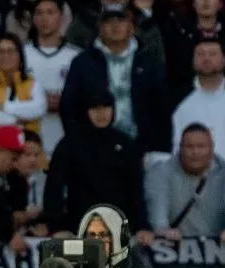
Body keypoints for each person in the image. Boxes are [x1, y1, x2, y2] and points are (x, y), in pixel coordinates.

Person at [61, 3, 171, 157]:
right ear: (100, 27)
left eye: (121, 20)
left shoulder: (149, 62)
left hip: (141, 148)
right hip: (94, 149)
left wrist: (160, 149)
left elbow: (162, 109)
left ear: (132, 27)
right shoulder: (83, 62)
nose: (115, 26)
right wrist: (79, 145)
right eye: (109, 21)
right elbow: (69, 106)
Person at [46, 90, 150, 239]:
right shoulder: (69, 145)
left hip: (120, 230)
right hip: (78, 229)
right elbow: (54, 188)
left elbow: (135, 189)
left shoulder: (125, 144)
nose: (101, 113)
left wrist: (142, 226)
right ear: (85, 110)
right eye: (95, 108)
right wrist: (57, 227)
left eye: (106, 107)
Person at [146, 124, 225, 243]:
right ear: (180, 148)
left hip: (221, 246)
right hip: (174, 246)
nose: (195, 152)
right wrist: (164, 231)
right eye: (189, 147)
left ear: (212, 147)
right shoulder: (160, 173)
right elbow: (158, 220)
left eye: (201, 146)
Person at [23, 0, 80, 157]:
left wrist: (65, 102)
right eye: (39, 13)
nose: (44, 18)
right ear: (33, 19)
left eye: (50, 12)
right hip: (28, 145)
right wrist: (39, 102)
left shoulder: (77, 56)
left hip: (66, 140)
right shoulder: (20, 54)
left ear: (61, 17)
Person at [172, 40, 225, 165]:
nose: (206, 58)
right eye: (200, 54)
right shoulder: (176, 99)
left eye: (212, 54)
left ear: (224, 60)